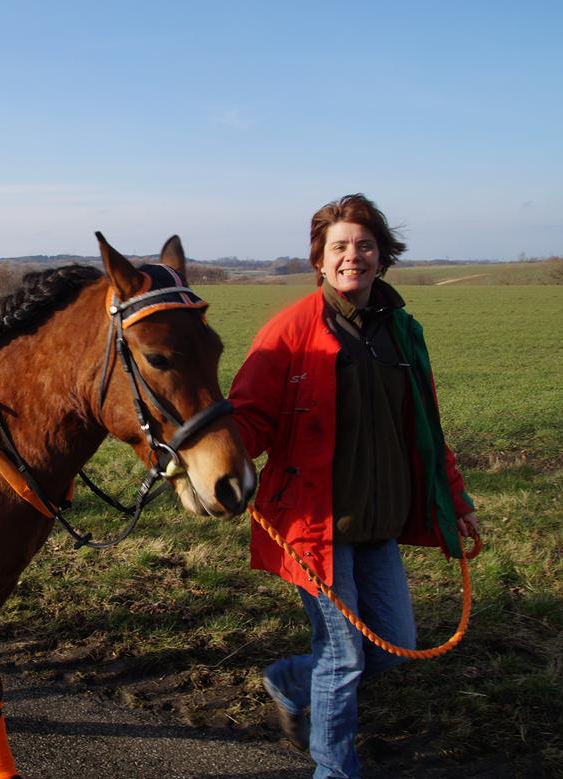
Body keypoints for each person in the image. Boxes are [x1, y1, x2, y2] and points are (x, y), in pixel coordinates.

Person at [227, 194, 480, 778]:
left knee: (392, 645)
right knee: (342, 660)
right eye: (338, 246)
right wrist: (215, 447)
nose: (352, 256)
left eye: (364, 245)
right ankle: (334, 770)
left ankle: (291, 679)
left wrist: (456, 499)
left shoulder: (403, 332)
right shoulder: (292, 328)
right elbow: (251, 415)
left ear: (382, 256)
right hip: (314, 523)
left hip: (379, 520)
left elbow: (425, 428)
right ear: (319, 260)